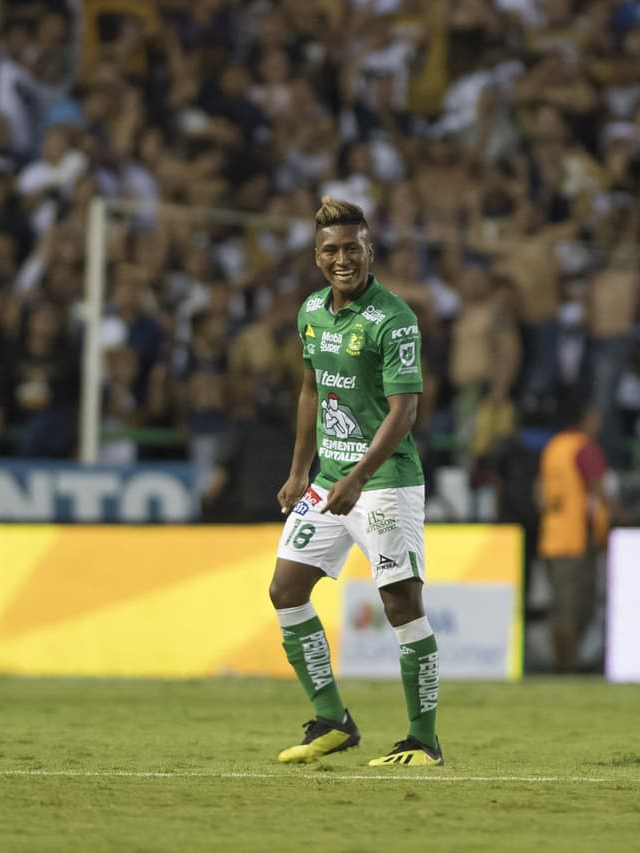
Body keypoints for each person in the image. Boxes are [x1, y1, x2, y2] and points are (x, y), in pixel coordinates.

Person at [268, 197, 442, 767]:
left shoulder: (393, 319)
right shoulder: (312, 311)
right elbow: (311, 392)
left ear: (369, 249)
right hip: (330, 477)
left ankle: (423, 740)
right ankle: (333, 720)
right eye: (330, 250)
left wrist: (360, 477)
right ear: (316, 257)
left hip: (385, 480)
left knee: (401, 604)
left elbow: (404, 410)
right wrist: (300, 471)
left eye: (351, 247)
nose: (341, 258)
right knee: (285, 590)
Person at [537, 401, 610, 673]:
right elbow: (599, 489)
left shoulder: (553, 448)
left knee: (560, 604)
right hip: (577, 538)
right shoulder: (584, 448)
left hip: (551, 537)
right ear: (585, 418)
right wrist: (615, 516)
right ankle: (567, 665)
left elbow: (540, 494)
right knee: (579, 606)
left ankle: (562, 660)